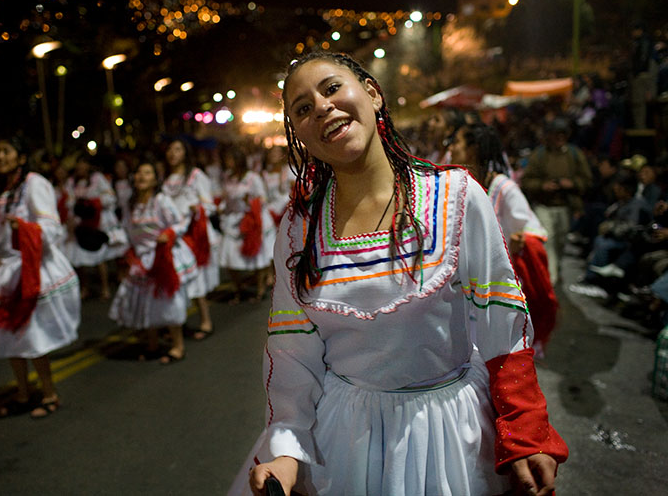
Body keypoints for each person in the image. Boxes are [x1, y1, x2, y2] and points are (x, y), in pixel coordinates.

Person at [236, 52, 567, 496]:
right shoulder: (299, 229)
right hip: (344, 439)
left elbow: (502, 326)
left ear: (372, 94)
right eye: (302, 108)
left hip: (452, 431)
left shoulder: (456, 196)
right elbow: (293, 350)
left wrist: (525, 431)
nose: (321, 107)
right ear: (299, 134)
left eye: (332, 88)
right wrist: (287, 448)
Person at [0, 135, 81, 418]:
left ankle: (49, 393)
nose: (0, 156)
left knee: (32, 336)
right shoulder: (4, 191)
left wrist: (25, 228)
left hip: (31, 268)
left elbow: (52, 227)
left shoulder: (34, 183)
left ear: (20, 156)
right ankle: (22, 392)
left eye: (6, 151)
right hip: (6, 270)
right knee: (11, 336)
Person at [449, 122, 558, 358]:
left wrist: (518, 238)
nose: (451, 148)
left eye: (457, 142)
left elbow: (531, 227)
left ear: (473, 150)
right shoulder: (463, 182)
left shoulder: (504, 187)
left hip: (497, 283)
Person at [108, 159, 198, 364]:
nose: (141, 177)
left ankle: (177, 346)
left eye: (147, 173)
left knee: (167, 301)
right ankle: (152, 344)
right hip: (141, 260)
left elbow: (180, 222)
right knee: (146, 301)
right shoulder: (130, 204)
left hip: (163, 257)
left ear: (154, 179)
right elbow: (126, 230)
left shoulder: (161, 201)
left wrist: (168, 234)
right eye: (139, 173)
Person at [521, 116, 592, 285]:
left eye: (563, 134)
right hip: (545, 205)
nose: (560, 138)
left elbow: (587, 180)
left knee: (560, 241)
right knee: (548, 240)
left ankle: (555, 270)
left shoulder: (574, 155)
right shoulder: (540, 155)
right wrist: (542, 186)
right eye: (556, 134)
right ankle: (550, 277)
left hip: (565, 206)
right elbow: (527, 181)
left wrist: (571, 184)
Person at [162, 139, 221, 340]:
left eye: (177, 149)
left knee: (197, 279)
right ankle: (179, 323)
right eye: (170, 149)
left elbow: (210, 205)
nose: (172, 153)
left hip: (194, 236)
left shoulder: (196, 176)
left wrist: (197, 209)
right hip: (175, 235)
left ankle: (206, 320)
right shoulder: (165, 178)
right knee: (180, 279)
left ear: (185, 153)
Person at [218, 144, 276, 304]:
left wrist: (250, 203)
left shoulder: (252, 177)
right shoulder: (228, 177)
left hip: (250, 221)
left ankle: (260, 289)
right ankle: (238, 289)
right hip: (233, 221)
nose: (228, 162)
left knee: (257, 257)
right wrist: (222, 208)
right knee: (230, 258)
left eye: (231, 159)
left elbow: (263, 198)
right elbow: (226, 199)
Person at [65, 155, 128, 299]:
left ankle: (105, 288)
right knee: (80, 258)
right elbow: (69, 203)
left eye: (83, 164)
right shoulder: (72, 182)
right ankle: (85, 288)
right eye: (78, 164)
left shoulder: (97, 179)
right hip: (80, 224)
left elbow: (110, 198)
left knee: (100, 257)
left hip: (98, 222)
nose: (81, 167)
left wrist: (93, 203)